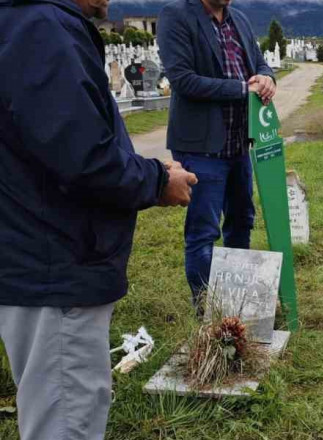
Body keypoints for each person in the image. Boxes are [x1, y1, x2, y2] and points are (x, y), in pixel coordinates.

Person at [0, 0, 197, 436]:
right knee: (67, 421)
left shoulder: (22, 20)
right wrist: (157, 180)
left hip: (37, 256)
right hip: (58, 266)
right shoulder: (41, 26)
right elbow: (82, 156)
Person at [158, 0, 276, 311]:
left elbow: (260, 64)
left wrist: (266, 78)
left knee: (241, 221)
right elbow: (182, 80)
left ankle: (237, 307)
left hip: (238, 143)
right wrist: (241, 89)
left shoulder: (240, 20)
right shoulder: (177, 16)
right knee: (203, 232)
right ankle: (208, 314)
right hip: (201, 146)